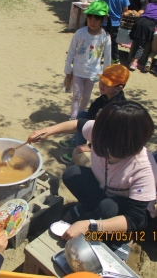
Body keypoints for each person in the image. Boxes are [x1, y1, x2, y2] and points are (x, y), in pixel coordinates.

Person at [28, 100, 157, 261]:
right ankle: (90, 210)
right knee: (72, 174)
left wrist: (90, 226)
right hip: (105, 189)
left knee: (107, 207)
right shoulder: (103, 131)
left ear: (120, 144)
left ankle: (123, 238)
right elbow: (78, 124)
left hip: (126, 209)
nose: (93, 137)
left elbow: (135, 218)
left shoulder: (143, 169)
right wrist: (47, 131)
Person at [59, 64, 129, 164]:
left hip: (110, 136)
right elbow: (94, 106)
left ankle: (77, 152)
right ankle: (77, 140)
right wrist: (87, 122)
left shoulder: (116, 107)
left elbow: (108, 132)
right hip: (101, 125)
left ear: (119, 88)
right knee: (82, 115)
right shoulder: (107, 95)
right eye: (101, 81)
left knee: (83, 123)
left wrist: (91, 146)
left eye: (106, 84)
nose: (101, 85)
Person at [64, 0, 111, 121]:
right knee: (76, 95)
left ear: (103, 19)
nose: (93, 22)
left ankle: (80, 114)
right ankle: (73, 117)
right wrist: (68, 68)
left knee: (86, 96)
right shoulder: (80, 33)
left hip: (93, 73)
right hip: (78, 71)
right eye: (90, 18)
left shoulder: (105, 37)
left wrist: (106, 76)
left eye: (97, 19)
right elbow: (71, 51)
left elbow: (107, 58)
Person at [100, 0, 130, 64]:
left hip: (104, 22)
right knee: (113, 41)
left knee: (101, 40)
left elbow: (100, 7)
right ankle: (115, 59)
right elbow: (125, 10)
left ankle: (98, 57)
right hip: (115, 23)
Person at [129, 0, 157, 72]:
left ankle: (132, 60)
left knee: (136, 42)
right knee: (141, 45)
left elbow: (142, 12)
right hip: (148, 25)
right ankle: (134, 62)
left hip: (139, 22)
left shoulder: (149, 5)